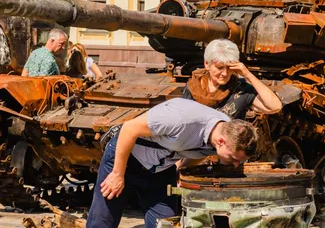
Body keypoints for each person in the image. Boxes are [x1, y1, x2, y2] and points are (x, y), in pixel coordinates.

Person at [86, 98, 262, 228]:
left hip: (161, 170)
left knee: (165, 224)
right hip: (127, 160)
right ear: (222, 141)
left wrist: (182, 168)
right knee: (102, 222)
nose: (236, 164)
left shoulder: (223, 133)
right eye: (234, 158)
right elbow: (129, 128)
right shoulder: (179, 119)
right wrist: (117, 173)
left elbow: (199, 150)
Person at [182, 39, 282, 120]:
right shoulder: (193, 87)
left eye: (229, 68)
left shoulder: (241, 90)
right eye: (219, 67)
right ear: (207, 64)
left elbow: (275, 106)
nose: (225, 73)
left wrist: (248, 75)